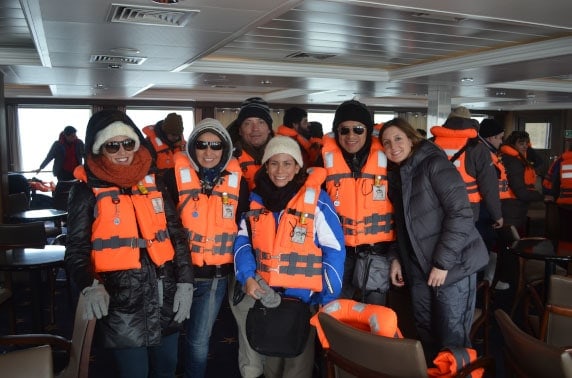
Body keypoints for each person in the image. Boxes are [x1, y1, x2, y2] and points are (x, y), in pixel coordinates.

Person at [65, 109, 194, 378]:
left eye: (128, 143)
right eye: (112, 145)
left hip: (164, 293)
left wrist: (185, 282)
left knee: (167, 369)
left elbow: (177, 235)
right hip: (120, 302)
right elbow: (76, 250)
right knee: (134, 373)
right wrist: (90, 286)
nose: (122, 151)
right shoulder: (84, 190)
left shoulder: (155, 180)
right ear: (99, 149)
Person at [233, 136, 345, 378]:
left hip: (303, 302)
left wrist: (327, 296)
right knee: (271, 365)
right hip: (268, 298)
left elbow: (335, 249)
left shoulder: (316, 200)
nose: (280, 170)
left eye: (287, 163)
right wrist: (247, 277)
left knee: (297, 367)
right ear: (266, 166)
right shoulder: (255, 200)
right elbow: (242, 243)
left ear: (297, 168)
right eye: (274, 163)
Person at [379, 118, 488, 362]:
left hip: (453, 266)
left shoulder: (434, 164)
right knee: (426, 332)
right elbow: (402, 225)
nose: (393, 146)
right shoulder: (398, 176)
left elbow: (461, 214)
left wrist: (442, 264)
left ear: (411, 139)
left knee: (452, 338)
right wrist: (396, 257)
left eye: (398, 138)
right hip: (419, 268)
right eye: (386, 142)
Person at [169, 118, 249, 378]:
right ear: (192, 147)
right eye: (202, 145)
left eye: (215, 145)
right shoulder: (171, 179)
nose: (208, 151)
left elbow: (245, 230)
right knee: (167, 335)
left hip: (214, 278)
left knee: (198, 341)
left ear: (224, 149)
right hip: (176, 274)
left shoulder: (240, 184)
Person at [320, 100, 400, 306]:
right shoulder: (322, 161)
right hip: (339, 254)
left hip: (377, 253)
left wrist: (396, 255)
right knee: (334, 311)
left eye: (358, 129)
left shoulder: (390, 162)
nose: (351, 136)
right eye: (344, 130)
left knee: (375, 316)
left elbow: (404, 213)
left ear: (368, 130)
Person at [431, 106, 503, 228]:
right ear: (471, 123)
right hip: (466, 208)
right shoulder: (478, 148)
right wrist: (497, 215)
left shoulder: (431, 143)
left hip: (434, 206)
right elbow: (489, 186)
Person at [477, 118, 511, 289]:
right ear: (490, 138)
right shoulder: (484, 153)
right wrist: (497, 214)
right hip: (483, 208)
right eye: (500, 137)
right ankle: (483, 285)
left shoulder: (485, 151)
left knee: (488, 244)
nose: (502, 141)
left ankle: (487, 281)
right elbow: (488, 188)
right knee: (484, 244)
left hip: (485, 207)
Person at [500, 130, 546, 236]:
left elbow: (538, 160)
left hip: (511, 206)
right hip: (512, 206)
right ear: (513, 144)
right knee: (513, 242)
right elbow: (520, 191)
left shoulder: (510, 157)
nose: (525, 146)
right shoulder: (513, 162)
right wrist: (541, 197)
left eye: (526, 143)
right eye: (521, 143)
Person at [227, 97, 274, 190]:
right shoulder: (226, 157)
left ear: (269, 129)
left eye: (261, 122)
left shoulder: (286, 154)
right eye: (248, 123)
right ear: (240, 130)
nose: (255, 128)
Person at [37, 125, 85, 210]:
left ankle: (74, 210)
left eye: (75, 135)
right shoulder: (58, 144)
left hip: (76, 172)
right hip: (62, 172)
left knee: (76, 192)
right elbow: (49, 157)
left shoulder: (79, 143)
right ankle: (62, 210)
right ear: (66, 136)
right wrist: (41, 168)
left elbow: (86, 156)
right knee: (63, 193)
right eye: (72, 136)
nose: (74, 138)